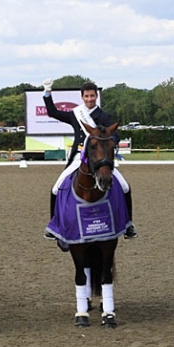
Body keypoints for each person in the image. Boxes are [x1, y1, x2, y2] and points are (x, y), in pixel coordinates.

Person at [42, 80, 137, 240]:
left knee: (125, 186)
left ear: (96, 96)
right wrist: (47, 93)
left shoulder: (104, 116)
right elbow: (53, 112)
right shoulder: (76, 114)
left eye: (92, 95)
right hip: (80, 157)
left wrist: (108, 141)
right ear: (82, 97)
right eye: (86, 96)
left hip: (99, 158)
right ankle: (55, 225)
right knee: (56, 188)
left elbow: (115, 135)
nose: (89, 99)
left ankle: (128, 225)